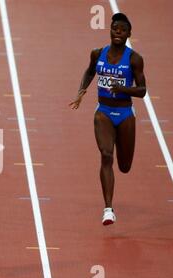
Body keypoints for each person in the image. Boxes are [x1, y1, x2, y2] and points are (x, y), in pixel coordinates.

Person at [69, 13, 146, 226]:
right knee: (105, 155)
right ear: (110, 31)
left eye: (122, 30)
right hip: (103, 111)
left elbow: (143, 90)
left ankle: (119, 174)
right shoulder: (98, 53)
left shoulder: (134, 59)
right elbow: (89, 71)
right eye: (115, 29)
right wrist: (81, 91)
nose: (118, 32)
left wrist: (123, 88)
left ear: (129, 34)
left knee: (124, 166)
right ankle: (108, 209)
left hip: (125, 114)